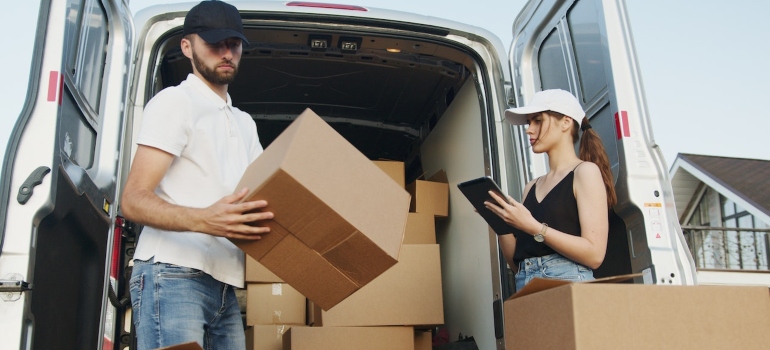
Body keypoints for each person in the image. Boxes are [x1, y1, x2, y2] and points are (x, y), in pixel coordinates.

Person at [120, 1, 271, 349]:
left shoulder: (244, 123)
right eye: (214, 43)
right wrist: (205, 220)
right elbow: (132, 199)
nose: (226, 53)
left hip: (224, 284)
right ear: (187, 46)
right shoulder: (176, 102)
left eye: (233, 44)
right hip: (171, 274)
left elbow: (263, 196)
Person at [484, 89, 617, 291]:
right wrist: (499, 222)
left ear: (566, 122)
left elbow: (594, 254)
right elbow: (517, 264)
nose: (529, 130)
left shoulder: (585, 172)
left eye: (537, 121)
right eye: (529, 123)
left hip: (569, 282)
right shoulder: (531, 186)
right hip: (526, 284)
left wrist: (534, 227)